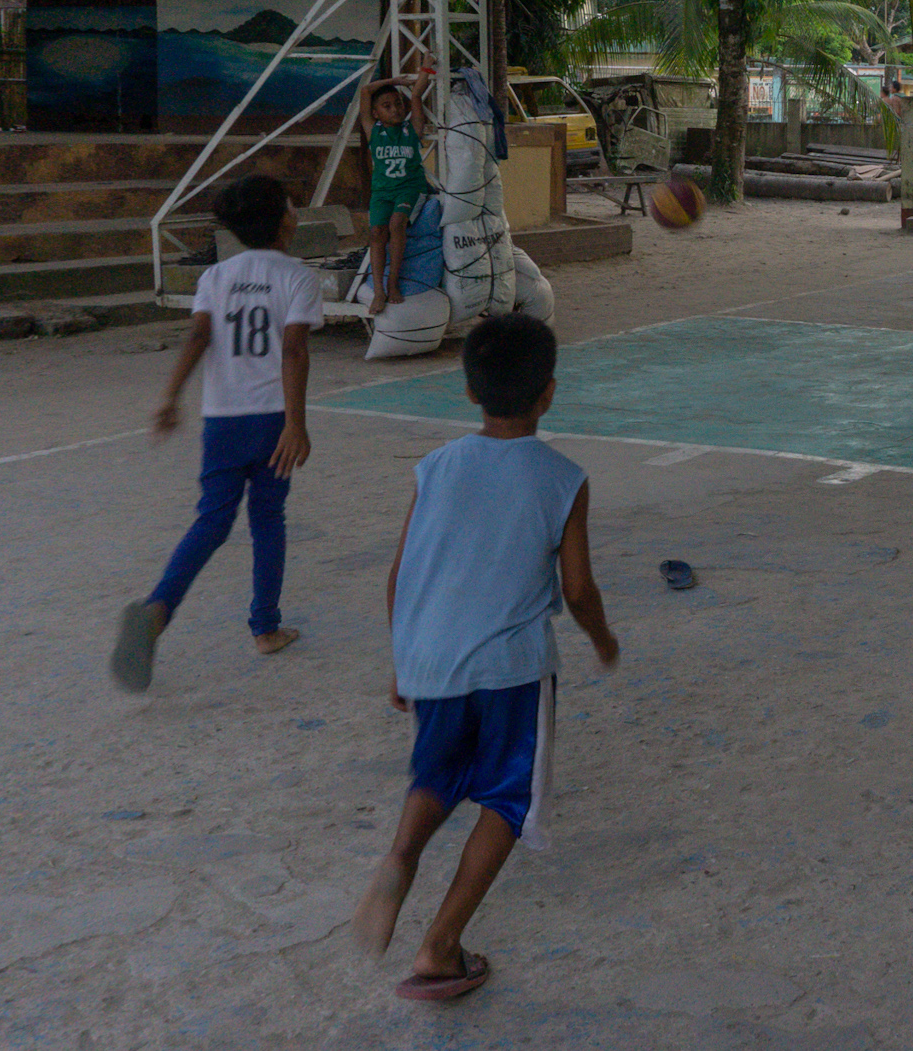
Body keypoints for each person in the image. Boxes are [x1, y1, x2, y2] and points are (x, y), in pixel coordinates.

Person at [353, 314, 620, 1001]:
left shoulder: (436, 466)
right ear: (549, 393)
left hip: (433, 657)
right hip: (511, 669)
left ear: (470, 392)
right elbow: (579, 587)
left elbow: (400, 570)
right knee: (504, 798)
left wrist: (403, 659)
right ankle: (440, 945)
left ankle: (400, 855)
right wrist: (601, 638)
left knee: (436, 774)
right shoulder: (563, 478)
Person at [110, 173, 321, 692]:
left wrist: (171, 396)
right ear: (283, 221)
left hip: (222, 419)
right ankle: (266, 628)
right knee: (268, 517)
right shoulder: (298, 276)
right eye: (292, 204)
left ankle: (159, 609)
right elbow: (294, 350)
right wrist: (296, 422)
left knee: (212, 520)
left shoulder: (216, 277)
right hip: (272, 418)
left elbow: (199, 336)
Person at [360, 67, 432, 316]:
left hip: (409, 188)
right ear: (375, 113)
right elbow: (365, 90)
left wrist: (426, 65)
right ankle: (379, 289)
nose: (395, 109)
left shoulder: (411, 129)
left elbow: (416, 95)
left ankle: (393, 282)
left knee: (397, 223)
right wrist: (394, 81)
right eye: (387, 106)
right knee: (377, 232)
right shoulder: (373, 131)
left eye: (398, 104)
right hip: (381, 192)